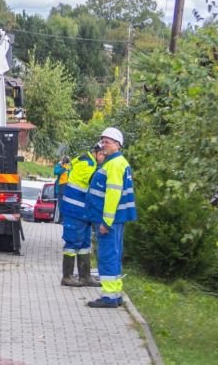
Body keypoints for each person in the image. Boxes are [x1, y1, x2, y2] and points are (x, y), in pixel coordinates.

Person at [85, 126, 137, 308]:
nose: (103, 145)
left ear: (117, 144)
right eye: (102, 141)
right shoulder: (117, 162)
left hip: (108, 220)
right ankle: (115, 294)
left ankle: (109, 297)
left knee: (107, 256)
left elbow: (112, 195)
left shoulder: (114, 164)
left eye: (106, 142)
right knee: (114, 255)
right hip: (116, 220)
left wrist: (106, 222)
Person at [57, 142, 105, 287]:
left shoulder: (90, 162)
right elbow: (95, 184)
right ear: (96, 152)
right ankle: (67, 276)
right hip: (75, 211)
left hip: (83, 212)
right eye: (102, 154)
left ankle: (85, 276)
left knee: (84, 244)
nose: (104, 157)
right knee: (72, 242)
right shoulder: (88, 165)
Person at [52, 155, 70, 223]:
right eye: (64, 161)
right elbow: (56, 172)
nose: (65, 162)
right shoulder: (59, 166)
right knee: (59, 205)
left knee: (64, 204)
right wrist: (62, 168)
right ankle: (59, 219)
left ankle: (62, 220)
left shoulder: (69, 167)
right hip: (59, 188)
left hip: (66, 187)